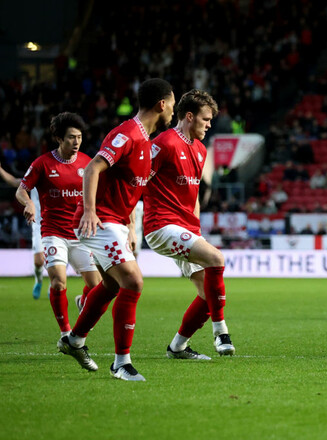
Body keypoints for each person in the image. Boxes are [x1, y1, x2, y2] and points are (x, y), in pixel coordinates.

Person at [57, 78, 175, 381]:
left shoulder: (145, 141)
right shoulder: (127, 134)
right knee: (133, 282)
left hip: (117, 223)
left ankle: (74, 340)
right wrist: (91, 211)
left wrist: (130, 225)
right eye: (173, 106)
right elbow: (93, 168)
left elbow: (128, 189)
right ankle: (121, 362)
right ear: (162, 104)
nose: (173, 113)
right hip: (99, 221)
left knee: (110, 286)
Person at [143, 89, 235, 360]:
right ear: (189, 116)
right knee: (217, 258)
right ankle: (221, 332)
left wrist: (196, 231)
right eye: (206, 119)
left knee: (209, 294)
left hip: (185, 228)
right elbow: (137, 181)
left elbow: (192, 195)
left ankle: (178, 347)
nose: (209, 125)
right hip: (160, 225)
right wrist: (125, 223)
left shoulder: (200, 149)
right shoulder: (164, 143)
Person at [16, 112, 102, 336]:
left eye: (79, 137)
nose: (76, 142)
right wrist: (29, 204)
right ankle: (66, 332)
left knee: (98, 287)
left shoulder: (87, 163)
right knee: (58, 282)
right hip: (53, 232)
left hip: (81, 234)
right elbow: (21, 190)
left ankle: (83, 301)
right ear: (59, 139)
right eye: (71, 137)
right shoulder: (42, 164)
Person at [0, 163, 43, 298]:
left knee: (61, 259)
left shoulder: (62, 180)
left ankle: (54, 286)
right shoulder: (34, 181)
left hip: (60, 223)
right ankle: (39, 280)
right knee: (38, 261)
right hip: (39, 225)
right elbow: (13, 181)